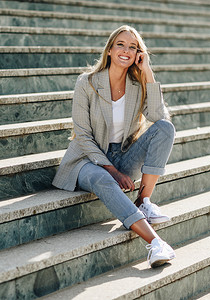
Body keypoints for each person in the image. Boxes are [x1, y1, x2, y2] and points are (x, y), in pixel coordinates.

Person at [52, 25, 176, 268]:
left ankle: (144, 201)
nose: (126, 50)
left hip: (122, 154)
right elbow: (83, 136)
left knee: (165, 128)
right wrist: (113, 170)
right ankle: (156, 243)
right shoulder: (86, 83)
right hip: (86, 161)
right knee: (102, 178)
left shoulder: (136, 84)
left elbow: (159, 116)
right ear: (109, 49)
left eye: (133, 47)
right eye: (120, 44)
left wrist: (147, 70)